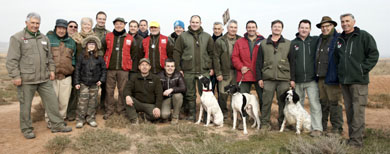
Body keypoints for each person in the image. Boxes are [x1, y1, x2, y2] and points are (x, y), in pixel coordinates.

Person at [6, 12, 72, 139]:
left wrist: (51, 70)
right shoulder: (17, 38)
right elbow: (12, 60)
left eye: (37, 23)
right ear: (26, 23)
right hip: (26, 80)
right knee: (25, 106)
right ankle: (27, 129)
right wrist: (15, 76)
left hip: (44, 79)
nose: (35, 25)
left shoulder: (43, 38)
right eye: (33, 23)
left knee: (52, 102)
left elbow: (49, 58)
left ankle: (57, 125)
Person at [335, 13, 379, 148]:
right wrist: (340, 73)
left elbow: (373, 54)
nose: (345, 24)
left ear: (354, 21)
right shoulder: (340, 39)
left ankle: (357, 142)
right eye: (342, 21)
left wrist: (362, 69)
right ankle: (352, 138)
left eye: (347, 21)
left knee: (358, 112)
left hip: (359, 81)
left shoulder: (363, 36)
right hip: (345, 81)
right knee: (349, 111)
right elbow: (338, 58)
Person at [173, 15, 214, 121]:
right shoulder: (183, 36)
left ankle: (206, 116)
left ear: (201, 23)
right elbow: (177, 52)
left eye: (197, 22)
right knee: (190, 94)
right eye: (193, 22)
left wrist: (211, 67)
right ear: (190, 23)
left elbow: (212, 53)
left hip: (203, 70)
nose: (195, 24)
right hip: (188, 70)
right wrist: (179, 68)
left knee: (205, 94)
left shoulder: (207, 36)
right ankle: (192, 115)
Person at [256, 20, 295, 130]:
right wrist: (259, 78)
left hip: (284, 78)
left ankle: (282, 124)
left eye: (279, 27)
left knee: (283, 102)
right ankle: (264, 123)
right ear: (271, 28)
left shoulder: (288, 43)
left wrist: (292, 79)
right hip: (268, 78)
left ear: (282, 29)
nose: (277, 28)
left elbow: (292, 62)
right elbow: (259, 62)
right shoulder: (263, 43)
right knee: (266, 102)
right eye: (275, 26)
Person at [290, 19, 322, 137]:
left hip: (311, 79)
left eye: (306, 28)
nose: (304, 30)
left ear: (310, 29)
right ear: (298, 29)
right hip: (297, 80)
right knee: (298, 104)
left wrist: (337, 33)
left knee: (314, 104)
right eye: (302, 27)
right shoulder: (293, 43)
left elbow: (328, 38)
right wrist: (292, 78)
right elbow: (291, 62)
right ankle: (300, 126)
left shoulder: (315, 41)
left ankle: (317, 128)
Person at [102, 17, 136, 119]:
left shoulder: (130, 38)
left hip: (123, 69)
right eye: (117, 23)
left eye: (121, 24)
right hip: (110, 69)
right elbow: (103, 49)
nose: (119, 25)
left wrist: (127, 62)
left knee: (122, 90)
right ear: (114, 25)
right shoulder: (107, 36)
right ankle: (109, 110)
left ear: (124, 25)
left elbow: (133, 53)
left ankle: (121, 109)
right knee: (109, 90)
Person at [315, 16, 343, 136]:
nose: (325, 28)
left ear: (333, 26)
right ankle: (323, 127)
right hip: (320, 77)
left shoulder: (338, 38)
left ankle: (337, 129)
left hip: (332, 78)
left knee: (334, 103)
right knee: (323, 103)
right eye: (323, 26)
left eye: (327, 26)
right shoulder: (319, 39)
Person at [45, 19, 77, 128]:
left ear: (66, 29)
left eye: (63, 28)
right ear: (55, 28)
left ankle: (61, 119)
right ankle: (50, 120)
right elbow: (45, 56)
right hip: (52, 76)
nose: (61, 31)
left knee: (64, 101)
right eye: (59, 28)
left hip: (66, 76)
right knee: (52, 101)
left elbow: (74, 57)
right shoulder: (49, 38)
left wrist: (71, 67)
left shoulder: (71, 42)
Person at [67, 17, 97, 121]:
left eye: (89, 24)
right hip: (78, 68)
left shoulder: (95, 38)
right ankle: (72, 112)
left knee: (90, 92)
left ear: (91, 25)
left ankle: (88, 113)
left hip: (91, 69)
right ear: (81, 25)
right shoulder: (75, 37)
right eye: (84, 24)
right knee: (75, 91)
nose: (87, 26)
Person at [73, 35, 107, 128]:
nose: (91, 46)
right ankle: (80, 119)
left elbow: (104, 69)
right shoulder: (81, 56)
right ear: (86, 45)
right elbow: (77, 69)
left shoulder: (99, 57)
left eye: (93, 44)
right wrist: (76, 82)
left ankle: (91, 118)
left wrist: (101, 80)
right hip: (83, 83)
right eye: (89, 44)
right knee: (83, 101)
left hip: (95, 83)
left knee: (93, 102)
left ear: (96, 46)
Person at [232, 20, 264, 109]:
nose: (251, 29)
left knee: (263, 99)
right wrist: (240, 67)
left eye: (253, 27)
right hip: (244, 74)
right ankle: (244, 119)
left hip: (259, 74)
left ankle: (263, 120)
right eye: (249, 27)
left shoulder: (263, 41)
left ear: (256, 28)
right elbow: (234, 57)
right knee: (242, 99)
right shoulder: (239, 42)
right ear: (246, 29)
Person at [214, 19, 242, 119]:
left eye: (235, 27)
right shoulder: (220, 41)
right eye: (231, 27)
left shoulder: (241, 39)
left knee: (236, 93)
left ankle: (236, 114)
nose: (233, 29)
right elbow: (216, 58)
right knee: (223, 94)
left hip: (237, 71)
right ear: (227, 28)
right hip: (225, 71)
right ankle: (223, 113)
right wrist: (218, 73)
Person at [124, 58, 163, 123]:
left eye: (146, 65)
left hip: (149, 104)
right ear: (139, 67)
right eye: (142, 65)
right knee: (126, 97)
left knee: (158, 115)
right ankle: (134, 119)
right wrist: (127, 96)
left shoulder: (156, 78)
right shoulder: (134, 77)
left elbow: (159, 94)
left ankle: (145, 116)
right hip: (137, 103)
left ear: (150, 67)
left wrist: (157, 107)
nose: (144, 67)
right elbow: (127, 88)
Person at [157, 58, 186, 124]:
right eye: (168, 66)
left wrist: (172, 89)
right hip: (165, 99)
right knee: (164, 115)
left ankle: (175, 117)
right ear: (164, 67)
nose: (170, 68)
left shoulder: (178, 75)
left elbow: (183, 88)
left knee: (178, 95)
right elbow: (156, 90)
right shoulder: (159, 76)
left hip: (175, 98)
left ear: (174, 67)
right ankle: (169, 114)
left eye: (172, 66)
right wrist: (162, 93)